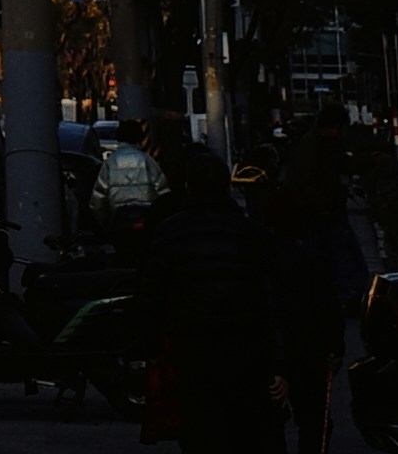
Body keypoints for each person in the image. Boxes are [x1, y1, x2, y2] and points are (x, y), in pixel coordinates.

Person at [134, 135, 273, 454]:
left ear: (187, 187)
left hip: (190, 343)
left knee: (198, 425)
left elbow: (152, 294)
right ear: (227, 187)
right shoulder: (250, 233)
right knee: (240, 426)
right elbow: (268, 296)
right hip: (243, 344)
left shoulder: (171, 231)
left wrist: (151, 346)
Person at [253, 148, 367, 454]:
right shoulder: (310, 259)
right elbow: (327, 306)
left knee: (271, 423)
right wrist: (334, 348)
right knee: (315, 421)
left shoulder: (258, 257)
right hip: (308, 350)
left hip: (270, 351)